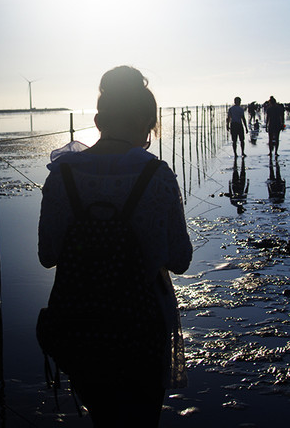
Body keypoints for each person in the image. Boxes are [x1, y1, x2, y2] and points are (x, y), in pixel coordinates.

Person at [37, 66, 192, 427]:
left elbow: (47, 256)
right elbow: (180, 259)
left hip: (81, 327)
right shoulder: (157, 176)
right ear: (143, 121)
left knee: (103, 419)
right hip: (142, 327)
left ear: (100, 117)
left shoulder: (62, 174)